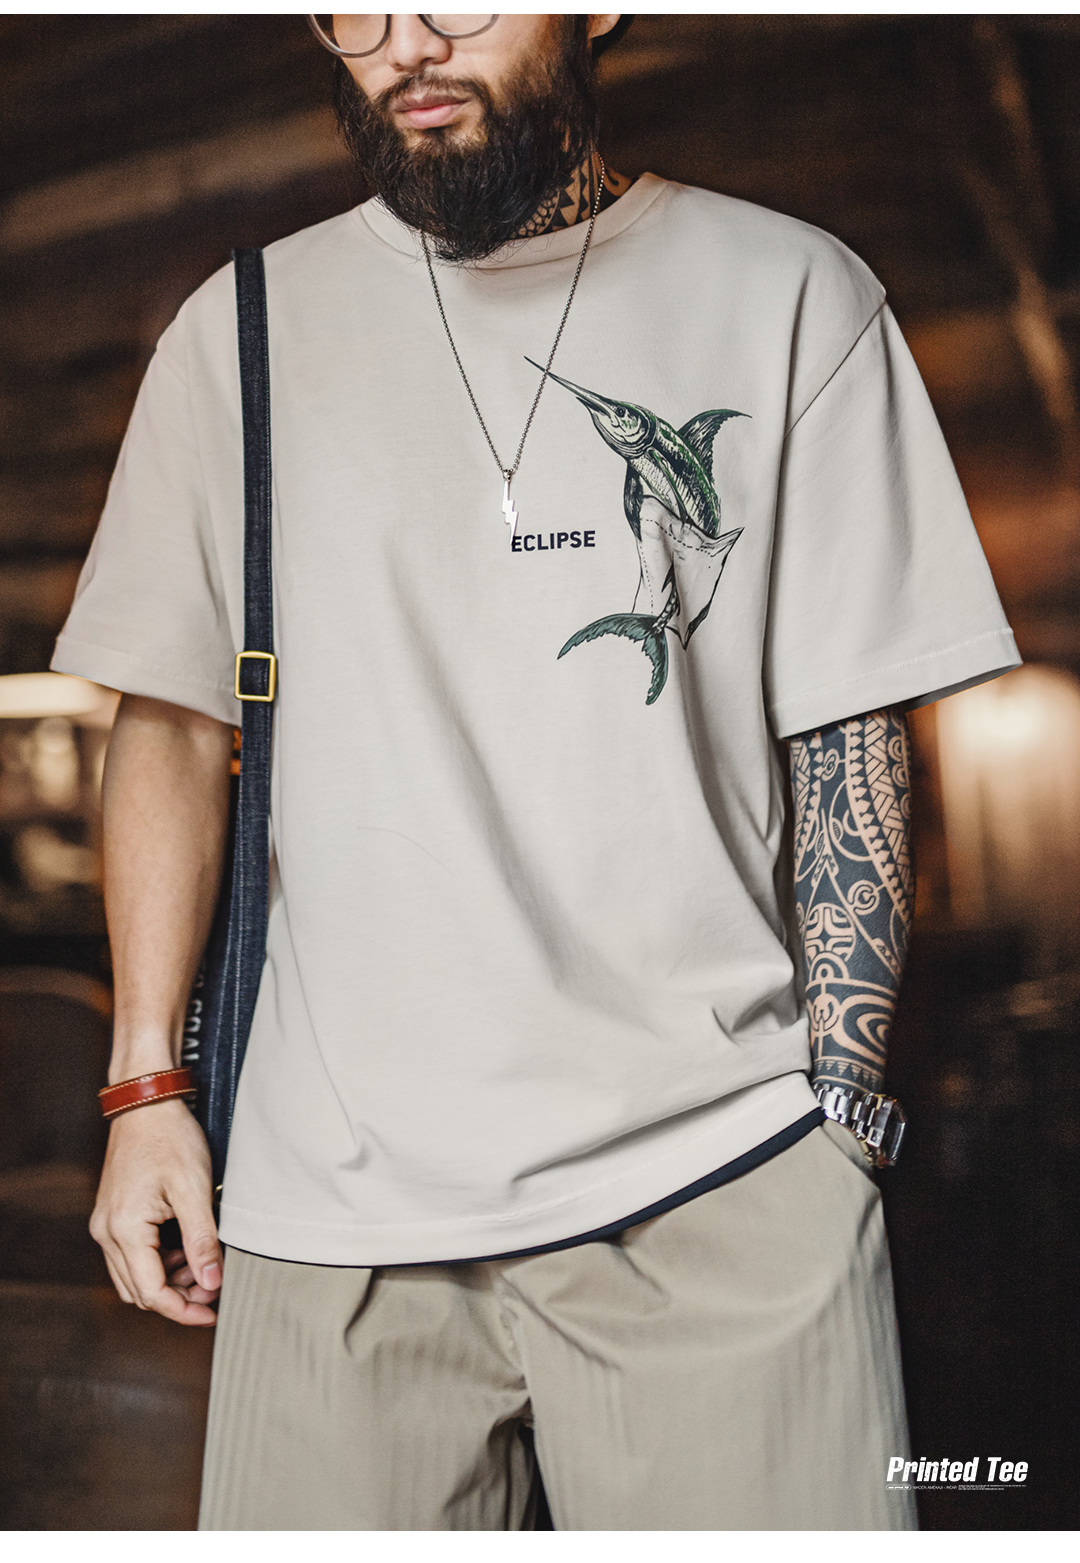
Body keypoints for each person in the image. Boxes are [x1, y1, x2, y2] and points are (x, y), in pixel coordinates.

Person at [53, 13, 1020, 1531]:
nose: (406, 43)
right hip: (329, 1215)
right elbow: (169, 726)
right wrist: (143, 1089)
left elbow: (847, 731)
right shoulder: (236, 334)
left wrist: (839, 1115)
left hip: (721, 1176)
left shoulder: (789, 294)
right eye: (354, 8)